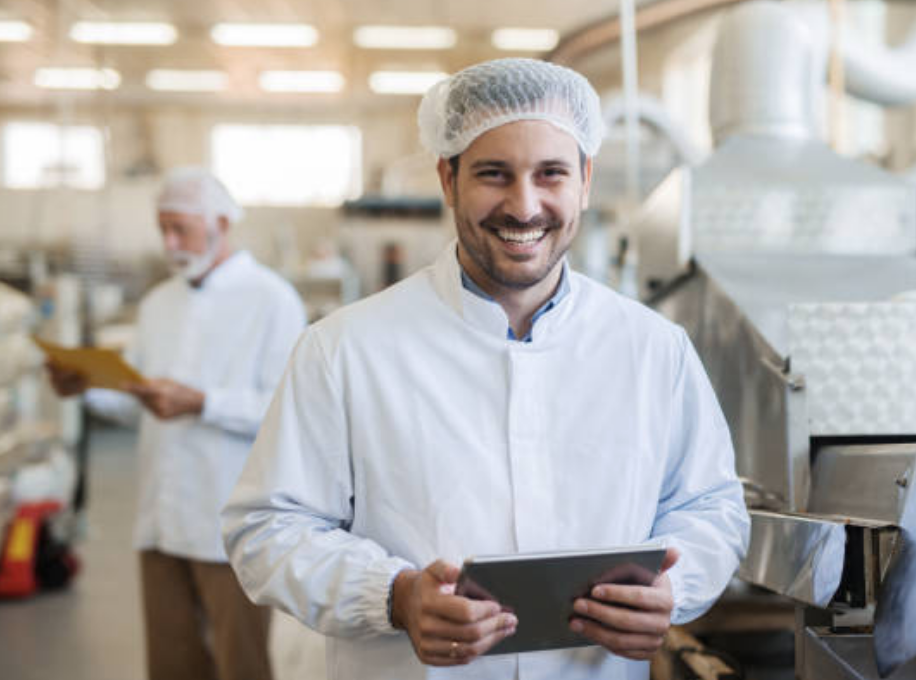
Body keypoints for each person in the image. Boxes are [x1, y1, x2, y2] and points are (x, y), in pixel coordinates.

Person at [222, 58, 749, 680]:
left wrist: (674, 588)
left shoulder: (653, 350)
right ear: (448, 178)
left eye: (550, 173)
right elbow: (268, 527)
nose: (523, 206)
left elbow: (710, 503)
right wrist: (393, 594)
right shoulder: (344, 350)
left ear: (585, 178)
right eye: (493, 174)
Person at [47, 167, 306, 680]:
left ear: (221, 224)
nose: (169, 242)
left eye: (180, 229)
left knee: (242, 665)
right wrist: (87, 387)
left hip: (231, 524)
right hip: (161, 520)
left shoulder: (272, 301)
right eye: (162, 228)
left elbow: (286, 412)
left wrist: (203, 402)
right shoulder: (158, 304)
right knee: (171, 664)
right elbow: (136, 398)